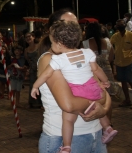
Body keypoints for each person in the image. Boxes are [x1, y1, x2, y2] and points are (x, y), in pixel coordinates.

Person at [32, 21, 117, 152]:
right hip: (64, 136)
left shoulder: (78, 57)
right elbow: (70, 104)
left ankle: (67, 146)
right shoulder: (51, 59)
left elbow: (103, 97)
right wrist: (100, 98)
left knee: (68, 118)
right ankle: (67, 145)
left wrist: (103, 109)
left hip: (96, 134)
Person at [110, 19, 132, 109]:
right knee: (123, 82)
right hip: (119, 63)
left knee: (131, 82)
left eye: (121, 25)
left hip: (129, 62)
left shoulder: (131, 35)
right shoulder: (115, 36)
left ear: (124, 25)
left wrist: (131, 58)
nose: (120, 26)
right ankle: (127, 100)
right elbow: (110, 46)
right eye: (118, 25)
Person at [24, 32, 41, 108]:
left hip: (40, 68)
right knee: (32, 85)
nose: (28, 38)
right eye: (26, 37)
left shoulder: (39, 46)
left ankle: (41, 103)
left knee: (41, 86)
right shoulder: (26, 50)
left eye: (29, 36)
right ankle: (32, 102)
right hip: (32, 69)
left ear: (33, 37)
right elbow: (27, 60)